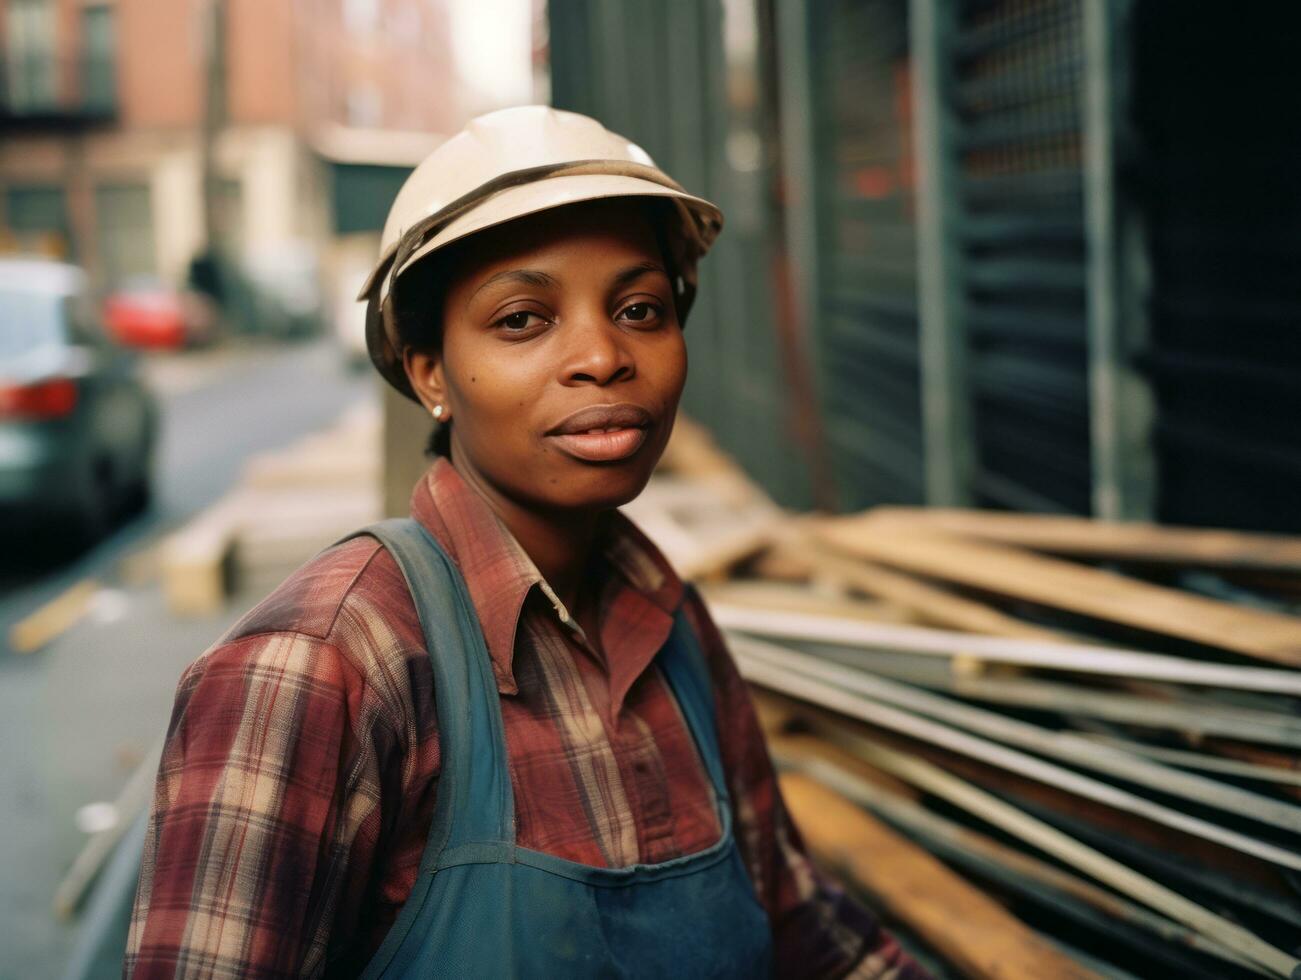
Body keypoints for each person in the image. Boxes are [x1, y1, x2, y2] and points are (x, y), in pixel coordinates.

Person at [125, 106, 925, 979]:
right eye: (521, 320)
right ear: (430, 372)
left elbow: (804, 932)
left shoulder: (675, 627)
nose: (602, 356)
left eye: (639, 308)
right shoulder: (320, 667)